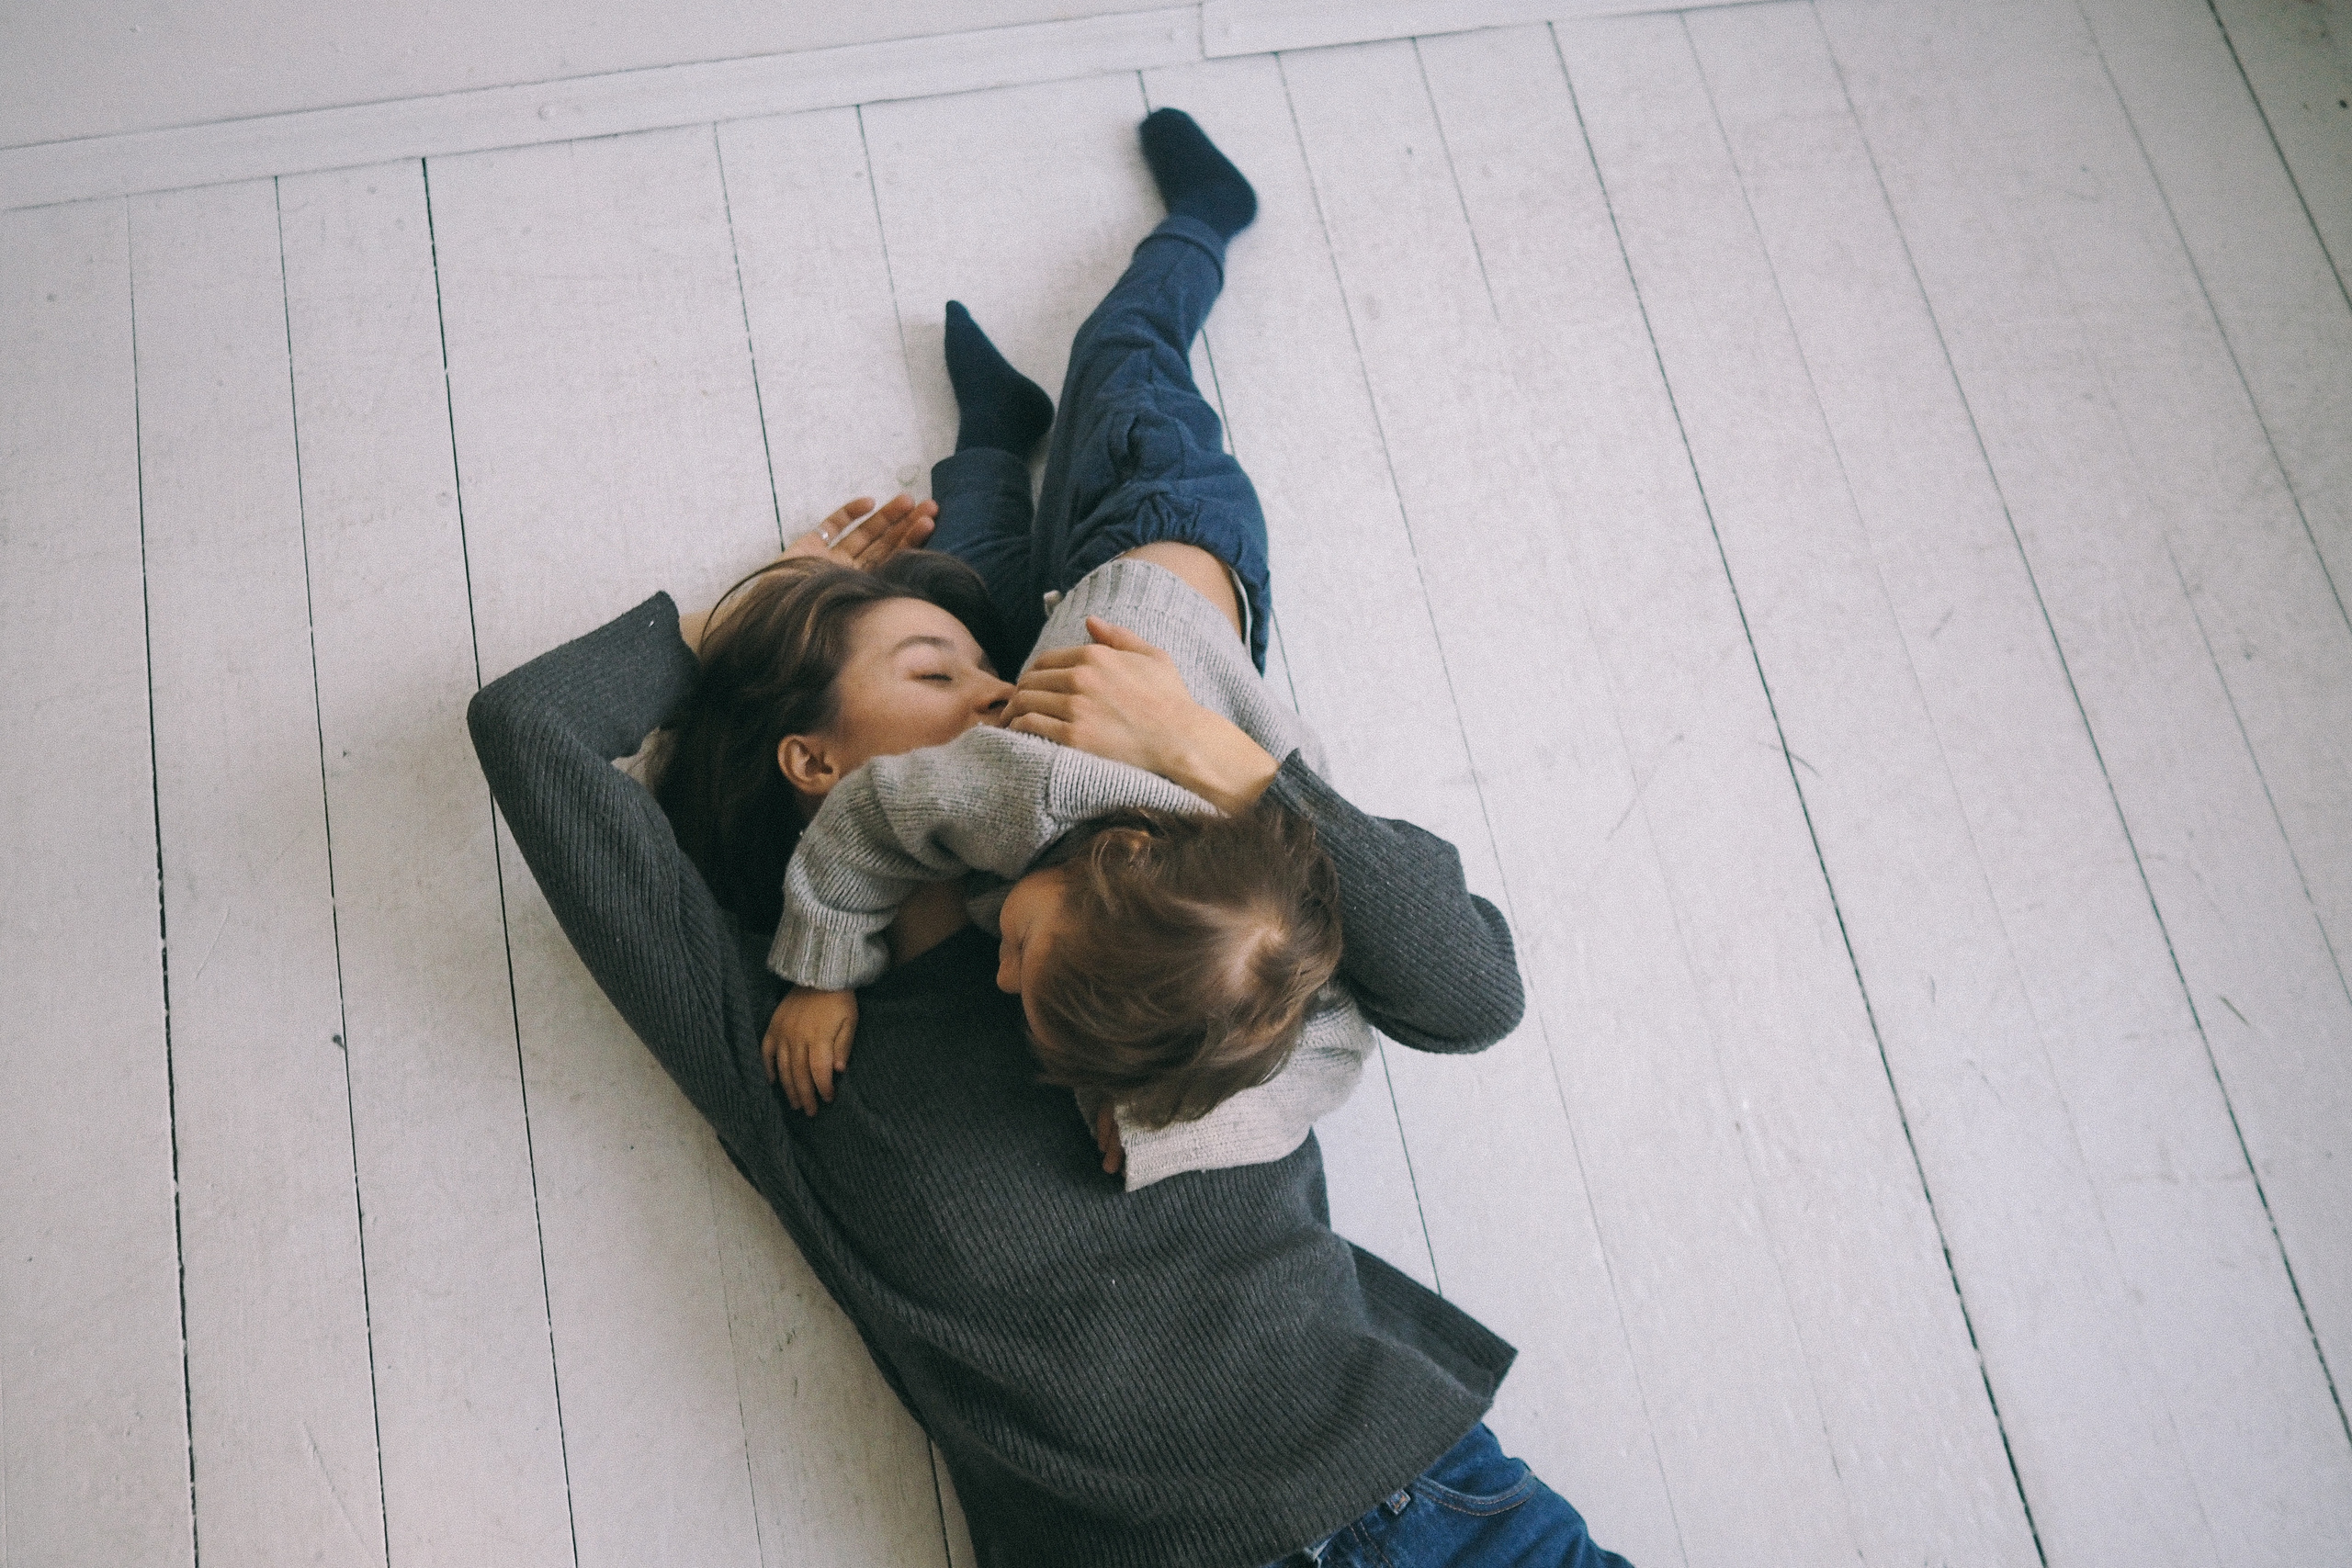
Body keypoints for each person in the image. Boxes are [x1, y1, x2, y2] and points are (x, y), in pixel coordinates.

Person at [468, 108, 1633, 1566]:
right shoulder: (785, 1029)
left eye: (984, 661)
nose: (997, 694)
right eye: (934, 671)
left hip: (1435, 1509)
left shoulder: (1141, 875)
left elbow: (1468, 997)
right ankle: (990, 452)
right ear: (814, 763)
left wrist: (1223, 759)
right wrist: (758, 606)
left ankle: (1002, 440)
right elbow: (528, 730)